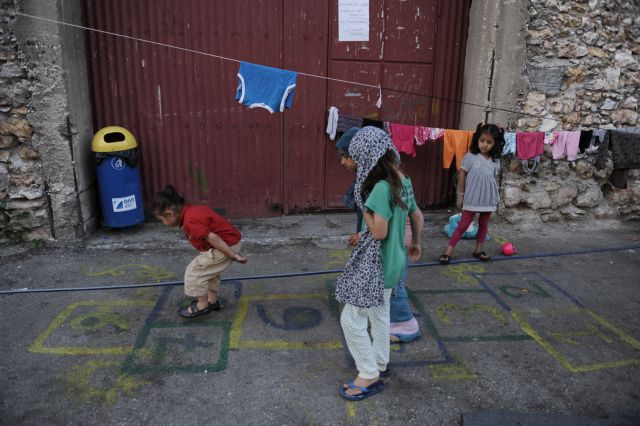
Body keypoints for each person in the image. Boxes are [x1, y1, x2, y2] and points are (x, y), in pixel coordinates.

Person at [335, 127, 423, 401]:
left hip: (377, 265)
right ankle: (381, 362)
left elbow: (379, 232)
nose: (347, 161)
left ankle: (369, 373)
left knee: (351, 319)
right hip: (395, 262)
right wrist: (415, 243)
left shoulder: (380, 188)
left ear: (365, 156)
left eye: (351, 155)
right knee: (380, 313)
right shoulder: (402, 180)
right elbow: (417, 216)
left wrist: (364, 206)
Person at [151, 185, 247, 318]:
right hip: (227, 244)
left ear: (169, 214)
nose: (163, 223)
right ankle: (211, 301)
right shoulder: (194, 211)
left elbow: (213, 238)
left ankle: (202, 305)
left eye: (162, 219)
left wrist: (233, 255)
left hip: (225, 246)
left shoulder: (190, 220)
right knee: (209, 271)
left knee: (195, 272)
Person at [438, 123, 504, 264]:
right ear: (477, 139)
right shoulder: (470, 157)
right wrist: (461, 194)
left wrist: (495, 197)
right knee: (463, 225)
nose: (484, 145)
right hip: (472, 197)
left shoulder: (495, 160)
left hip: (488, 198)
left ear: (495, 144)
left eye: (489, 142)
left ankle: (478, 251)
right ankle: (447, 252)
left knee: (483, 224)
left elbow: (493, 179)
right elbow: (462, 175)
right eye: (482, 140)